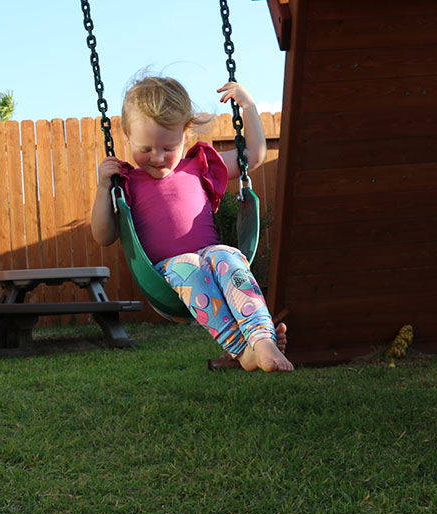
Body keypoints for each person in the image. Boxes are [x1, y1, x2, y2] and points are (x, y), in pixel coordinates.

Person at [90, 73, 293, 372]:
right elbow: (103, 235)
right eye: (145, 149)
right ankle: (240, 347)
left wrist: (247, 106)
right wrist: (103, 189)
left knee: (227, 254)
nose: (157, 158)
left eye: (167, 148)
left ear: (185, 135)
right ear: (128, 138)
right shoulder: (126, 183)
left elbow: (254, 155)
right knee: (190, 265)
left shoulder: (199, 167)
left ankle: (261, 339)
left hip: (210, 258)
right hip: (167, 276)